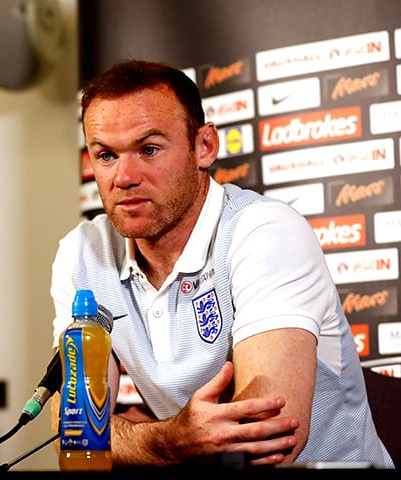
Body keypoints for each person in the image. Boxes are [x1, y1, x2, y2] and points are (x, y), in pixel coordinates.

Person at [49, 59, 394, 468]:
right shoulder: (81, 254)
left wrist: (142, 440)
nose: (123, 176)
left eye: (149, 149)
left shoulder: (264, 230)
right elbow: (72, 435)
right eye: (106, 155)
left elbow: (265, 441)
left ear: (204, 147)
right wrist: (167, 439)